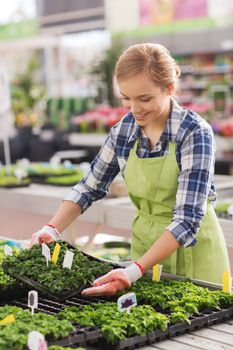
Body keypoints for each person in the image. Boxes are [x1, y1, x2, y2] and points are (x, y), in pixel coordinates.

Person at [30, 43, 230, 296]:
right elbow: (89, 187)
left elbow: (187, 220)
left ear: (169, 88)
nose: (135, 109)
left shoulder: (193, 133)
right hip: (143, 250)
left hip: (194, 252)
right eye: (126, 98)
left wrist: (133, 270)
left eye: (144, 98)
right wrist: (51, 228)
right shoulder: (124, 131)